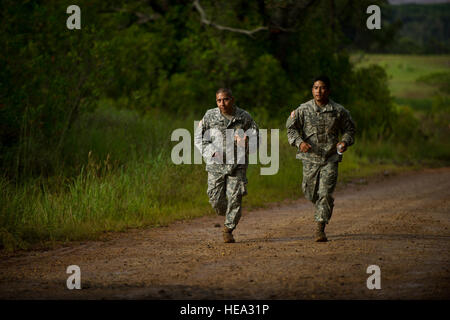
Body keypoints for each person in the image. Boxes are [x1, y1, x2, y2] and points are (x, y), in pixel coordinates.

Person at [286, 75, 356, 242]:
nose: (319, 91)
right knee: (310, 192)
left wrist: (344, 142)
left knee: (325, 193)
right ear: (312, 90)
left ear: (328, 90)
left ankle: (320, 227)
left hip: (330, 158)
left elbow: (350, 130)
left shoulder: (338, 111)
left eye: (322, 87)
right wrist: (299, 142)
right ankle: (323, 206)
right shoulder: (303, 110)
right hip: (310, 159)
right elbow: (291, 129)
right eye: (316, 88)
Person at [195, 88, 258, 243]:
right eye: (219, 100)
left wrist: (246, 141)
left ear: (232, 99)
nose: (222, 103)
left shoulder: (244, 117)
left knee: (235, 198)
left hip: (237, 165)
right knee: (216, 200)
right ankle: (230, 213)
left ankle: (228, 229)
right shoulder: (210, 116)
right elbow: (199, 138)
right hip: (215, 165)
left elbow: (257, 138)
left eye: (226, 99)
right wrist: (211, 152)